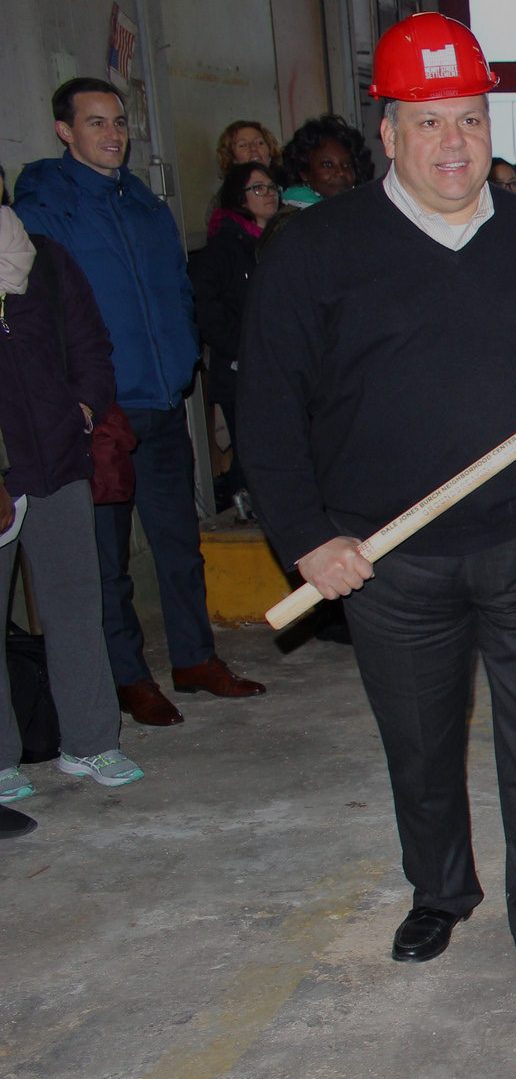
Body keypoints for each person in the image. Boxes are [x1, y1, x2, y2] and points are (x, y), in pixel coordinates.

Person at [238, 13, 516, 999]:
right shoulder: (316, 250)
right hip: (390, 558)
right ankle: (439, 891)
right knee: (421, 742)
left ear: (492, 125)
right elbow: (265, 406)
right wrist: (306, 537)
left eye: (470, 121)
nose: (453, 144)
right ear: (387, 131)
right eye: (429, 122)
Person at [14, 78, 265, 729]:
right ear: (65, 131)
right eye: (95, 123)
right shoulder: (49, 209)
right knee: (107, 554)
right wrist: (75, 396)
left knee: (179, 541)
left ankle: (194, 657)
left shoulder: (146, 207)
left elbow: (176, 291)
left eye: (118, 121)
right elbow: (42, 312)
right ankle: (128, 674)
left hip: (161, 398)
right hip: (101, 408)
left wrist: (181, 357)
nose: (113, 134)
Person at [0, 204, 141, 800]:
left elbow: (90, 342)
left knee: (77, 604)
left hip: (56, 461)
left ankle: (90, 743)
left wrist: (80, 408)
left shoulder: (47, 259)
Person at [191, 161, 283, 513]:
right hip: (239, 369)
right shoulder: (224, 249)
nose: (268, 194)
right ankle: (240, 507)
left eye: (271, 186)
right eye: (257, 188)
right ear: (238, 198)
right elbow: (205, 309)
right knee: (250, 448)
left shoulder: (281, 238)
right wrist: (240, 347)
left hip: (276, 365)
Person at [278, 115, 371, 207]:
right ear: (304, 173)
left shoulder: (358, 208)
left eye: (347, 165)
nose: (341, 172)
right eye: (328, 165)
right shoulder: (294, 217)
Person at [215, 120, 279, 174]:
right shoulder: (230, 189)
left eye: (260, 143)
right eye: (243, 145)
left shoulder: (285, 187)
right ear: (232, 157)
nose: (253, 148)